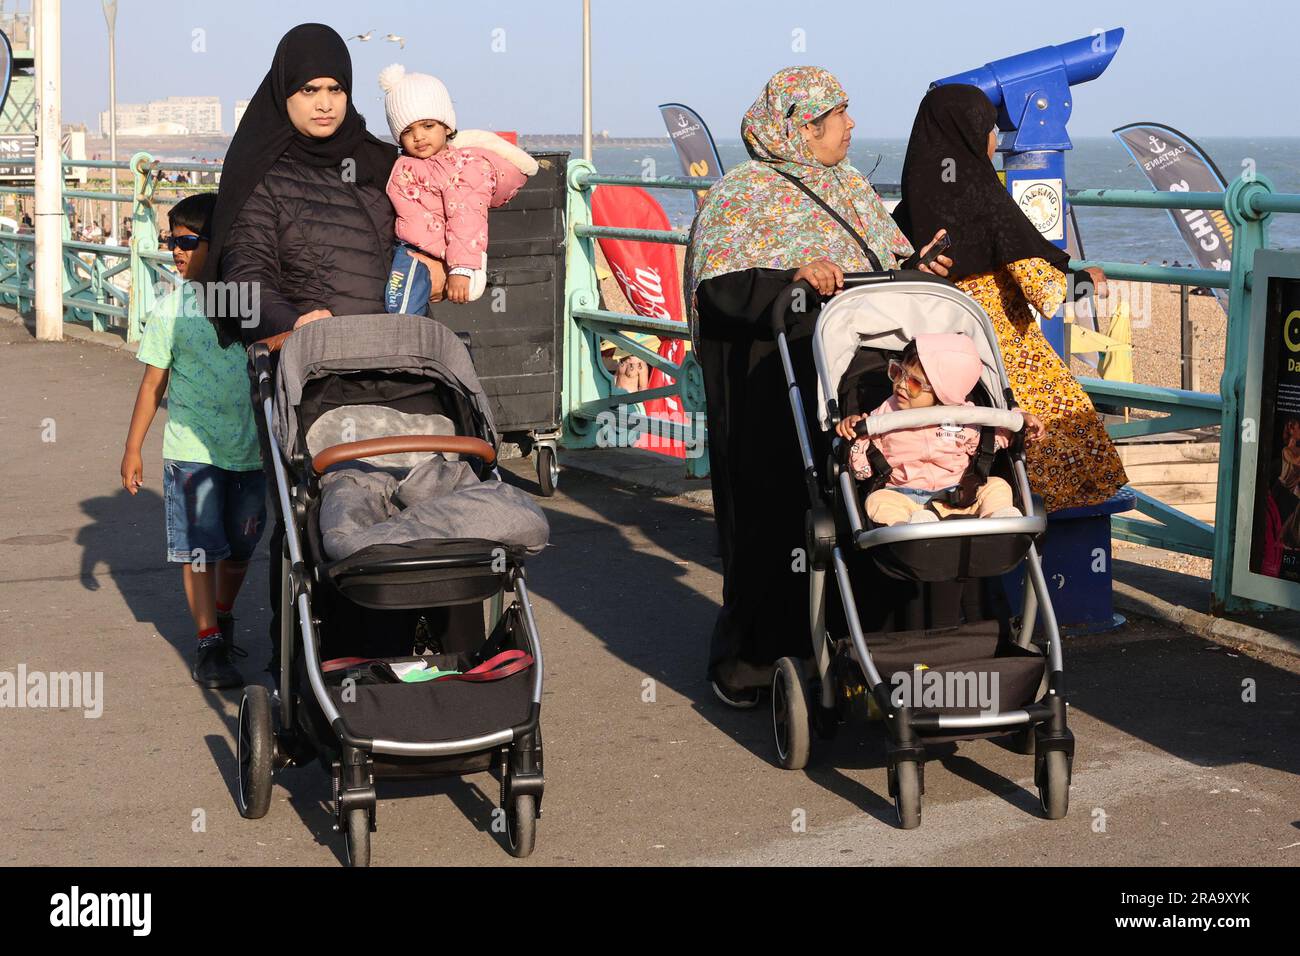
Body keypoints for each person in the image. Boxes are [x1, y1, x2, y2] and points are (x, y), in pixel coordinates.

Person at [685, 66, 953, 707]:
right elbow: (716, 291)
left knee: (863, 505)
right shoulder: (740, 194)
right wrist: (790, 277)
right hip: (768, 389)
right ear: (805, 126)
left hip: (851, 386)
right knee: (775, 521)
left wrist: (916, 267)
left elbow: (877, 267)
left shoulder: (851, 188)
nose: (852, 124)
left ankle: (863, 650)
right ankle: (757, 662)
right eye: (841, 113)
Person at [201, 23, 399, 686]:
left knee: (401, 500)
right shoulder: (263, 170)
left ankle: (399, 646)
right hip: (303, 371)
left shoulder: (376, 163)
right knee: (312, 517)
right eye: (309, 89)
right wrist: (293, 318)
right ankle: (309, 670)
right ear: (284, 92)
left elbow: (436, 215)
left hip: (388, 367)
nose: (323, 102)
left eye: (335, 88)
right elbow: (239, 279)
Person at [893, 84, 1127, 513]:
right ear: (970, 132)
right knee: (1067, 430)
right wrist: (1086, 282)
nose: (996, 140)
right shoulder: (984, 200)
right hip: (1004, 363)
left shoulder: (910, 206)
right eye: (990, 129)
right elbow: (1043, 290)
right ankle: (1046, 537)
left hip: (938, 366)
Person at [120, 193, 266, 688]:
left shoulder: (251, 306)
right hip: (190, 454)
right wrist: (132, 448)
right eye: (170, 240)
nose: (175, 251)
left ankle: (222, 616)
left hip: (250, 452)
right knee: (201, 550)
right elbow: (151, 385)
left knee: (242, 547)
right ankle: (207, 642)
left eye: (186, 240)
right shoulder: (169, 308)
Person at [378, 64, 537, 311]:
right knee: (405, 318)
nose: (419, 136)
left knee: (400, 317)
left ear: (447, 126)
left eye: (428, 126)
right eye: (408, 131)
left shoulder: (461, 167)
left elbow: (467, 216)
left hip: (422, 258)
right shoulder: (409, 164)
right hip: (406, 251)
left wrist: (461, 269)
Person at [836, 334, 1042, 525]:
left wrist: (1020, 422)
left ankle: (998, 518)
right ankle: (908, 527)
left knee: (997, 485)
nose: (900, 385)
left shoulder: (966, 417)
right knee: (878, 500)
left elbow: (992, 438)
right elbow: (863, 471)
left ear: (944, 391)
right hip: (905, 498)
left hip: (961, 496)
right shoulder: (884, 413)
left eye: (914, 383)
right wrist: (856, 435)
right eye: (898, 372)